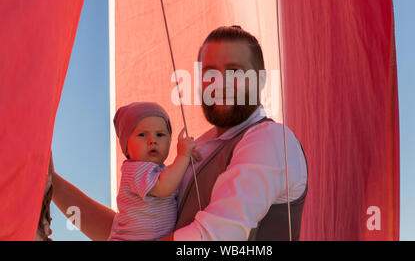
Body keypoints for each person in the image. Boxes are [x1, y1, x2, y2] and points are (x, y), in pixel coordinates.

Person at [51, 26, 308, 241]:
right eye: (210, 73)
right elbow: (126, 231)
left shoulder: (271, 139)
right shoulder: (198, 149)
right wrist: (51, 183)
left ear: (261, 81)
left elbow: (214, 237)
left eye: (235, 72)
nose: (220, 82)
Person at [108, 102, 200, 240]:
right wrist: (183, 157)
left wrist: (185, 162)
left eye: (160, 134)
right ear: (126, 147)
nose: (152, 140)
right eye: (142, 135)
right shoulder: (134, 169)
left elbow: (170, 176)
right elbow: (164, 187)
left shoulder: (162, 171)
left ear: (170, 141)